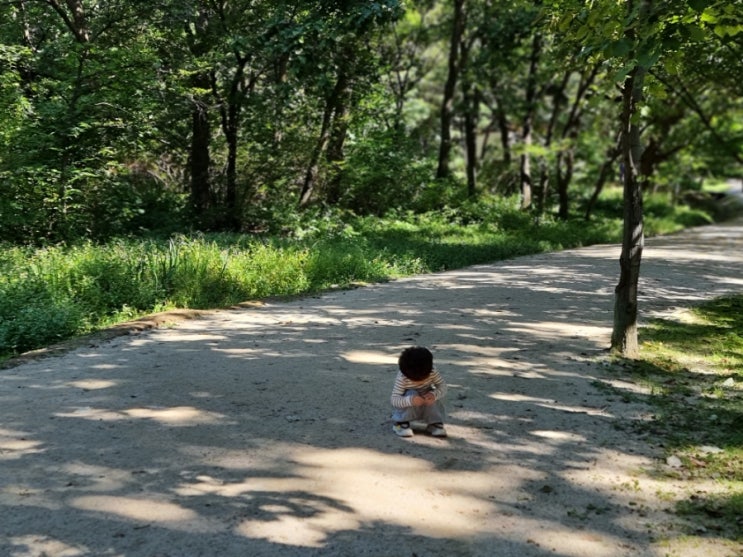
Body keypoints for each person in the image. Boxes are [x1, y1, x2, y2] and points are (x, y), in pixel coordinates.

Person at [390, 346, 448, 438]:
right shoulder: (402, 377)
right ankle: (401, 423)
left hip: (426, 402)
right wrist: (410, 400)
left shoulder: (432, 371)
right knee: (411, 392)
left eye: (422, 378)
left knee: (432, 394)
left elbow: (442, 386)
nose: (418, 381)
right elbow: (394, 399)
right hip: (409, 405)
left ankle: (434, 423)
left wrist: (434, 395)